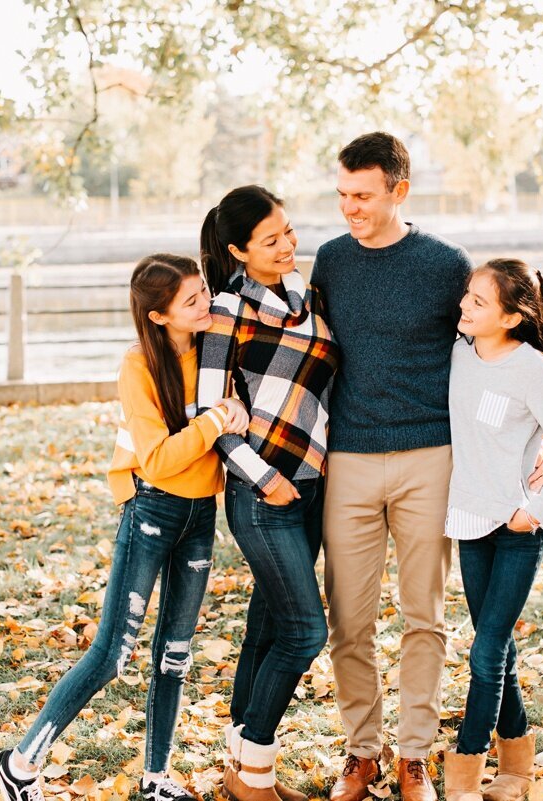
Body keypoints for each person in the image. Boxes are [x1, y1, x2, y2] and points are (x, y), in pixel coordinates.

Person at [311, 132, 543, 801]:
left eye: (362, 195)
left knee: (424, 615)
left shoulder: (447, 265)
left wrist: (541, 435)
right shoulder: (330, 261)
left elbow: (503, 343)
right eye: (342, 195)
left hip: (431, 459)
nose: (349, 207)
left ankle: (415, 756)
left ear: (399, 191)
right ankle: (363, 751)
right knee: (349, 620)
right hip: (350, 460)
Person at [0, 253, 249, 801]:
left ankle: (156, 780)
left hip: (201, 513)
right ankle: (19, 762)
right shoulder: (137, 367)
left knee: (175, 655)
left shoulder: (212, 350)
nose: (205, 302)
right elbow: (156, 460)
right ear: (160, 316)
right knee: (112, 653)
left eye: (204, 290)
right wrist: (218, 419)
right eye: (191, 299)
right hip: (152, 512)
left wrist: (230, 412)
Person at [197, 185, 341, 801]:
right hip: (262, 496)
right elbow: (206, 411)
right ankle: (254, 769)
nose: (287, 245)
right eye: (270, 239)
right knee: (305, 633)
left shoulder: (307, 293)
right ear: (238, 250)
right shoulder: (230, 308)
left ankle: (244, 769)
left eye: (288, 230)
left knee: (266, 624)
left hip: (313, 487)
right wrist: (265, 477)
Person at [441, 259, 543, 801]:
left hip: (517, 527)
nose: (464, 307)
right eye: (467, 297)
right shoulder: (459, 353)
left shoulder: (533, 369)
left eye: (479, 302)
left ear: (511, 315)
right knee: (496, 649)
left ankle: (463, 778)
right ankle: (517, 766)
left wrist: (539, 510)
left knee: (485, 652)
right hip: (469, 519)